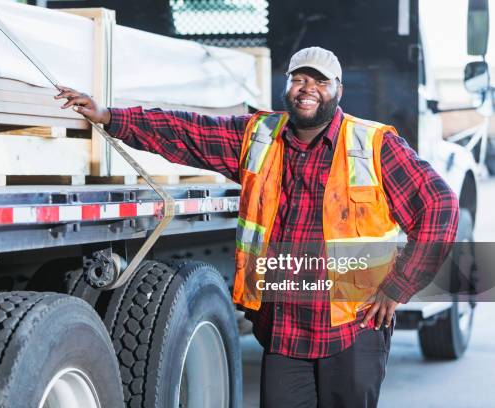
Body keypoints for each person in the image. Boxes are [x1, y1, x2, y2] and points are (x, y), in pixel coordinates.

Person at [55, 46, 459, 408]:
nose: (307, 88)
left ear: (337, 89)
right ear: (287, 85)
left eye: (319, 81)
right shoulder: (258, 137)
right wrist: (110, 117)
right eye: (299, 78)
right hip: (284, 325)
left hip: (353, 327)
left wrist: (399, 286)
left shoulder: (372, 144)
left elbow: (440, 205)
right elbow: (186, 130)